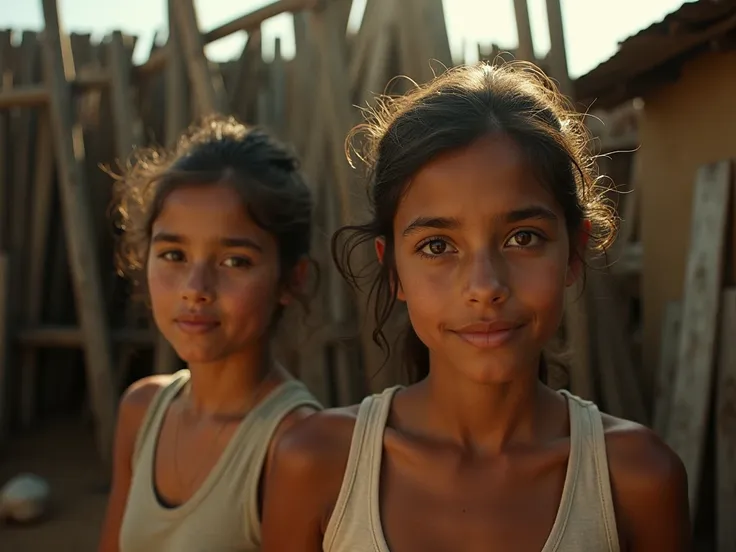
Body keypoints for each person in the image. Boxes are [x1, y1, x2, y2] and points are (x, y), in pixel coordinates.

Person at [260, 63, 691, 552]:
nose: (484, 286)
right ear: (393, 268)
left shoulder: (635, 481)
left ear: (573, 252)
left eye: (522, 238)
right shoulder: (318, 465)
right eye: (438, 246)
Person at [97, 115, 323, 552]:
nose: (195, 289)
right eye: (174, 254)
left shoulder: (295, 446)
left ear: (290, 281)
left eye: (234, 261)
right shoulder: (142, 412)